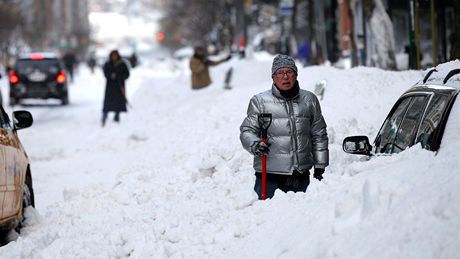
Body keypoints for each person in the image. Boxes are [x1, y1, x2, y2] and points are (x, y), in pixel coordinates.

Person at [240, 54, 329, 199]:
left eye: (289, 72)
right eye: (280, 73)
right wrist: (255, 144)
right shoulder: (260, 101)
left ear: (296, 75)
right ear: (273, 77)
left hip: (300, 176)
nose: (285, 77)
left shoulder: (309, 100)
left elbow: (319, 133)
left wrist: (320, 164)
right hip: (269, 177)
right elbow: (247, 131)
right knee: (267, 218)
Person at [101, 50, 130, 127]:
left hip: (119, 86)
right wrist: (111, 76)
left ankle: (117, 117)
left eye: (115, 55)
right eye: (112, 55)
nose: (114, 57)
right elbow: (105, 73)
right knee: (108, 103)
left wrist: (120, 77)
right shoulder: (108, 64)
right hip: (110, 87)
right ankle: (104, 116)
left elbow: (127, 74)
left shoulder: (122, 64)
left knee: (118, 103)